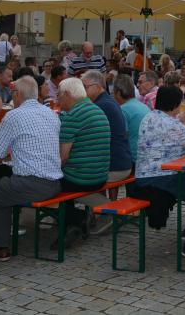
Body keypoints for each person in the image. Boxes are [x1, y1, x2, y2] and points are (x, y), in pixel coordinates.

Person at [0, 77, 61, 272]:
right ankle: (1, 247)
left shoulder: (14, 116)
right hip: (54, 182)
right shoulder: (51, 114)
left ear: (17, 95)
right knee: (3, 189)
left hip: (31, 184)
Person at [129, 85, 185, 258]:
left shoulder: (150, 116)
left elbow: (171, 135)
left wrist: (182, 121)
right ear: (176, 104)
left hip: (145, 174)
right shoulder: (170, 124)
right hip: (160, 176)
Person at [56, 77, 111, 246]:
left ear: (67, 94)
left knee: (48, 182)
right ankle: (75, 221)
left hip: (82, 179)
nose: (57, 100)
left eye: (59, 96)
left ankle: (75, 221)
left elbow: (62, 158)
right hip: (100, 176)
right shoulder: (96, 110)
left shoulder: (73, 115)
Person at [82, 70, 132, 183]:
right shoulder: (109, 101)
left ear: (97, 86)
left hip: (115, 167)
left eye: (85, 87)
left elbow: (86, 138)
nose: (83, 91)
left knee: (76, 182)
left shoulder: (101, 105)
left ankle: (105, 202)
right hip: (123, 162)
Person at [112, 74, 149, 164]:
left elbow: (120, 139)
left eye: (113, 91)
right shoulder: (144, 106)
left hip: (133, 159)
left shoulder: (122, 110)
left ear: (118, 93)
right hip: (145, 156)